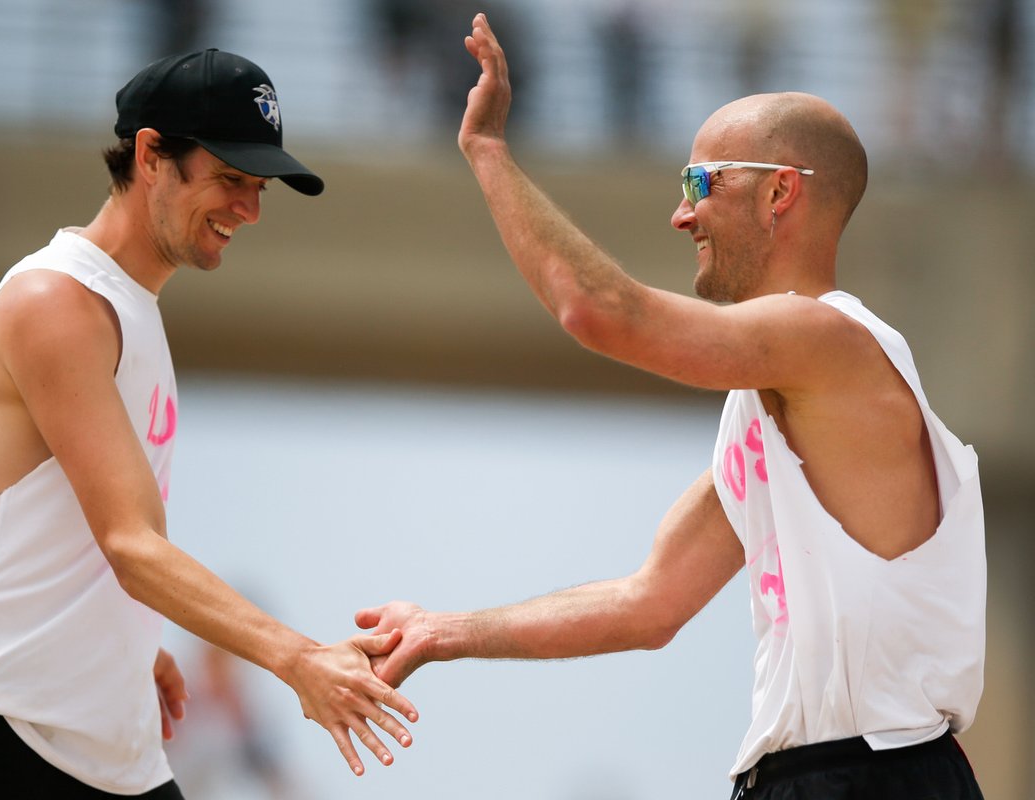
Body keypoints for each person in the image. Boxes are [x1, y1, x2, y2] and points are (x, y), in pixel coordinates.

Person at [357, 14, 985, 800]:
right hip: (809, 777)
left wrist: (487, 152)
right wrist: (444, 630)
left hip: (875, 776)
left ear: (780, 192)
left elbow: (599, 311)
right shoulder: (776, 402)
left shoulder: (830, 338)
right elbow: (648, 602)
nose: (680, 215)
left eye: (699, 183)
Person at [0, 49, 417, 799]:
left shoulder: (129, 309)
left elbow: (82, 529)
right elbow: (130, 543)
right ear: (152, 154)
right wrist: (299, 659)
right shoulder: (56, 302)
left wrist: (124, 642)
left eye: (259, 188)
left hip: (98, 746)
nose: (250, 209)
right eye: (231, 178)